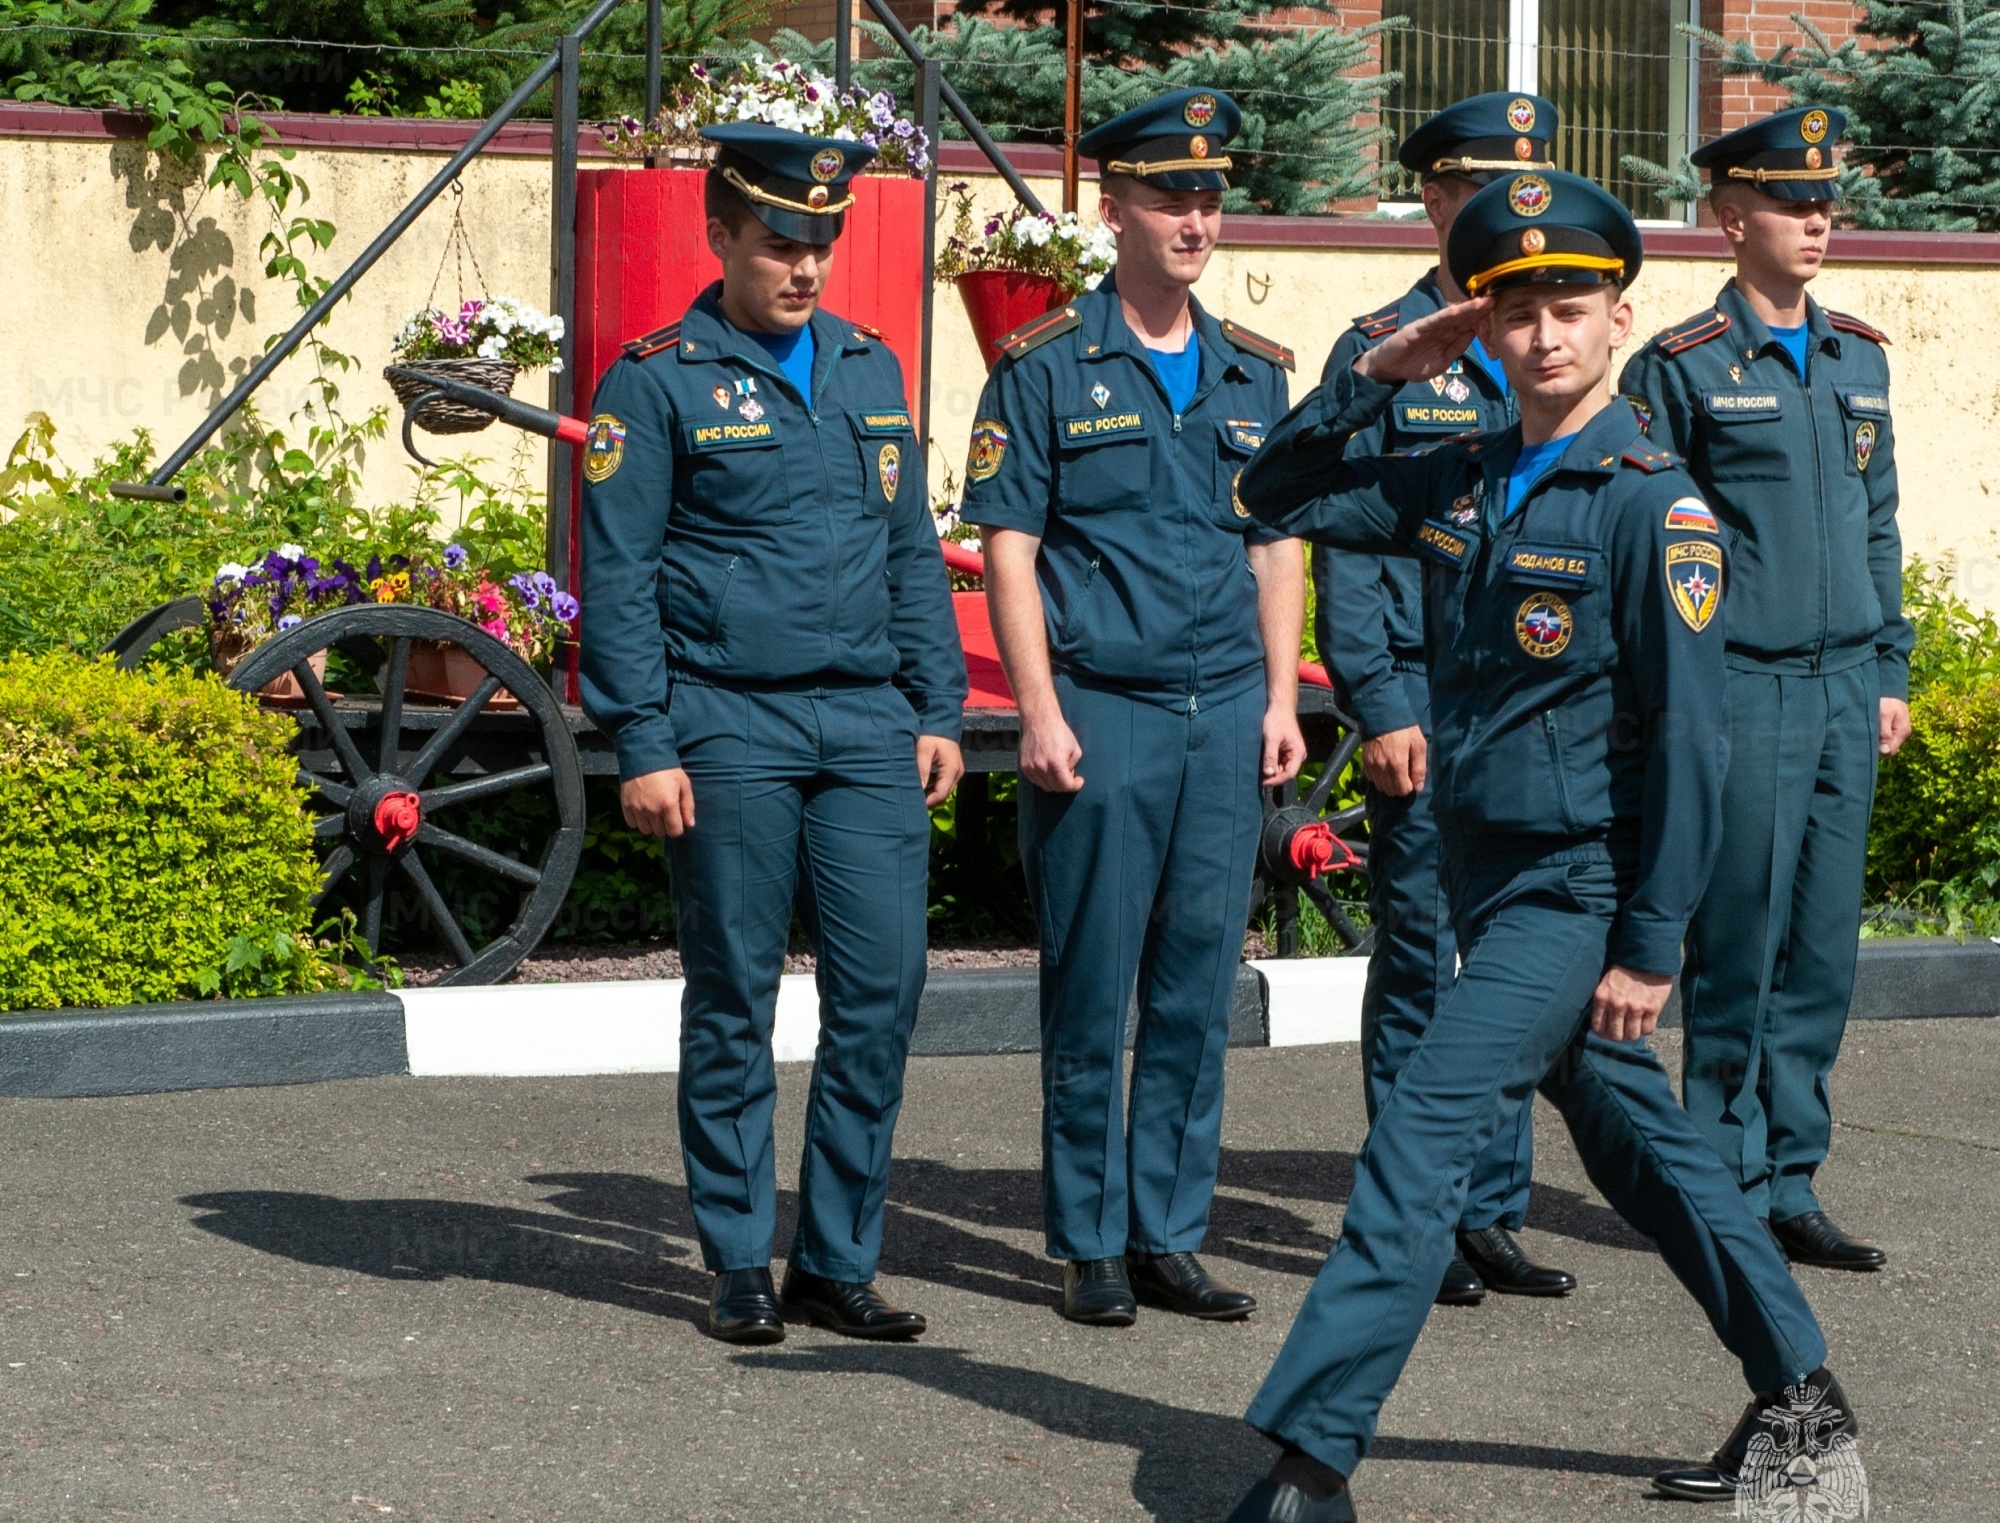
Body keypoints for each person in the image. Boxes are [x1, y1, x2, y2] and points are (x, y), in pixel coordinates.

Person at [1165, 171, 1850, 1523]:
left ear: (1617, 319)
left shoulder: (1654, 507)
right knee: (1641, 1149)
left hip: (1575, 886)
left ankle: (1311, 1463)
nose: (1544, 336)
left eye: (1571, 307)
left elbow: (1698, 743)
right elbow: (1265, 490)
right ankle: (1800, 1400)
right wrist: (1378, 373)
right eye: (1517, 310)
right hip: (1491, 878)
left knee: (1421, 1134)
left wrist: (1649, 944)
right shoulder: (1465, 470)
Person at [578, 122, 967, 1347]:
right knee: (734, 993)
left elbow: (911, 551)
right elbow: (620, 572)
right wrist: (641, 739)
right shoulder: (654, 378)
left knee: (880, 992)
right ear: (720, 236)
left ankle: (836, 1260)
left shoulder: (870, 367)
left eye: (822, 242)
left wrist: (938, 704)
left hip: (864, 722)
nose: (804, 267)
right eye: (779, 242)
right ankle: (740, 1258)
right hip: (726, 722)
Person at [960, 87, 1306, 1328]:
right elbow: (1008, 546)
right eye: (1169, 196)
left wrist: (1281, 699)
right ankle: (1087, 1238)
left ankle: (1169, 1230)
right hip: (1101, 710)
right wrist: (1037, 712)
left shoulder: (1252, 376)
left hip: (1222, 717)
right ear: (1112, 211)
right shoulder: (1046, 365)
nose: (1194, 218)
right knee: (1092, 982)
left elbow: (1275, 546)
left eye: (1209, 196)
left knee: (1194, 985)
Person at [1620, 107, 1907, 1271]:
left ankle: (1789, 1176)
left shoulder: (1856, 354)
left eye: (1825, 203)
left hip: (1844, 688)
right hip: (1741, 688)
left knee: (1820, 950)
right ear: (1729, 219)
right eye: (1794, 203)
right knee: (1733, 945)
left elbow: (1878, 522)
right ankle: (1715, 1180)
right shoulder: (1680, 368)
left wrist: (1888, 666)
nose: (1818, 220)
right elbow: (1656, 540)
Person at [1317, 92, 1574, 1309]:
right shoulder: (1384, 343)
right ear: (1430, 199)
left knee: (1510, 963)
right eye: (1475, 188)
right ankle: (1415, 1211)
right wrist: (1376, 703)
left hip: (1522, 718)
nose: (1502, 213)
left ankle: (1491, 1210)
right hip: (1423, 705)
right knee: (1418, 961)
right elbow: (1348, 545)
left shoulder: (1546, 340)